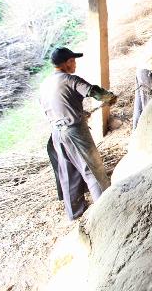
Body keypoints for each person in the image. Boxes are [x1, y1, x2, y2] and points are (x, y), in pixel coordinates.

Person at [40, 47, 117, 220]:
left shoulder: (45, 84)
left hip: (56, 134)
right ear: (67, 62)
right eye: (73, 61)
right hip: (74, 132)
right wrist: (110, 97)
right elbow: (93, 91)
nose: (75, 64)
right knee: (92, 169)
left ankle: (75, 214)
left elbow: (55, 107)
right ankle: (108, 209)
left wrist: (78, 114)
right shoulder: (69, 79)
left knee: (68, 173)